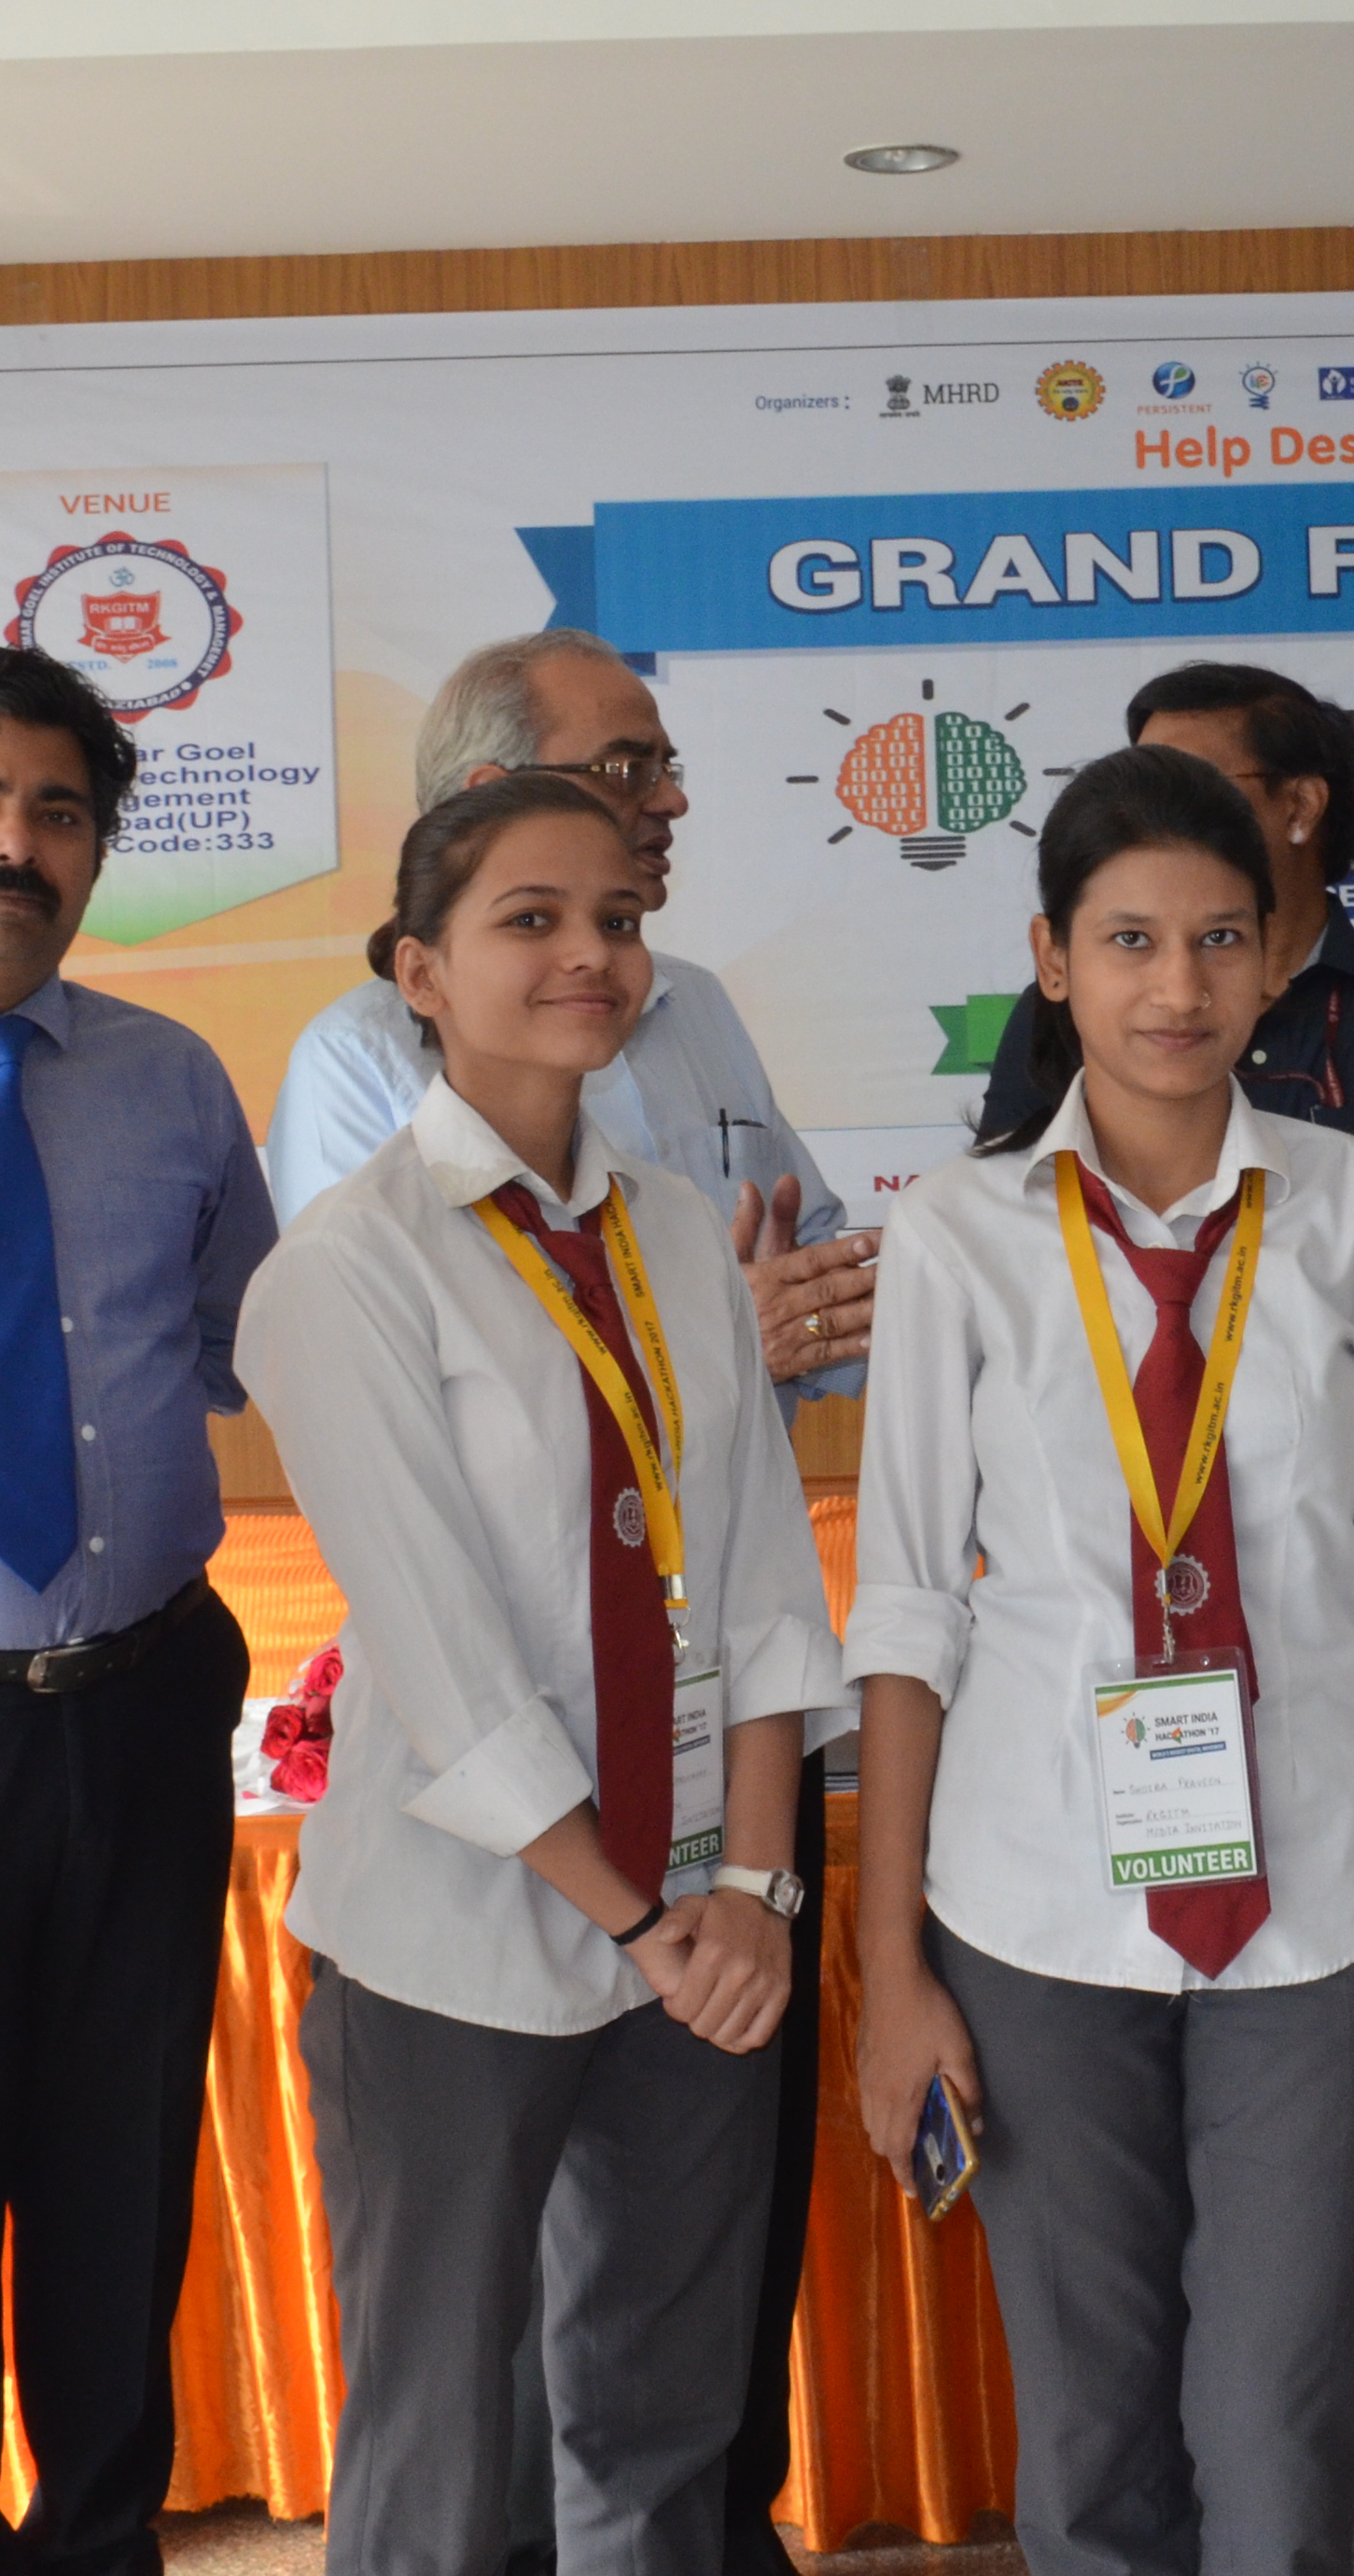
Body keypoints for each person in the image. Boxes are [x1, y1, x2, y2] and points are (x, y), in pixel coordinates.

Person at [847, 744, 1354, 2576]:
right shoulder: (961, 1233)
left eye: (1221, 937)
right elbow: (904, 1611)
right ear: (1050, 958)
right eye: (1128, 939)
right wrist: (888, 1967)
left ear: (1277, 957)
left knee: (1286, 2422)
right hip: (1033, 1903)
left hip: (1329, 1904)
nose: (1177, 984)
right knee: (1090, 2429)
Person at [264, 625, 867, 2575]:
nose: (589, 953)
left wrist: (751, 1892)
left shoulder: (675, 1230)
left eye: (614, 917)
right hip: (464, 1933)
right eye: (528, 919)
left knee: (664, 2430)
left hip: (702, 1913)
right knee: (446, 2440)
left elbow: (764, 1588)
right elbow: (445, 1665)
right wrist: (646, 1920)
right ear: (419, 973)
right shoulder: (345, 1270)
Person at [0, 651, 281, 2576]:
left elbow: (239, 1342)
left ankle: (98, 2540)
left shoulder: (168, 1077)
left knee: (120, 2160)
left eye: (61, 812)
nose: (18, 845)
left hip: (147, 1694)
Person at [266, 629, 875, 1394]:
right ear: (490, 795)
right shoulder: (355, 1057)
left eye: (668, 767)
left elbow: (808, 1269)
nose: (672, 799)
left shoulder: (696, 1002)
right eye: (625, 769)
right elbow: (370, 1370)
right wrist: (716, 1342)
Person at [971, 661, 1354, 1170]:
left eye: (1194, 782)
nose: (1181, 994)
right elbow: (1014, 1209)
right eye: (1145, 778)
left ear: (1300, 806)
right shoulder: (1074, 1005)